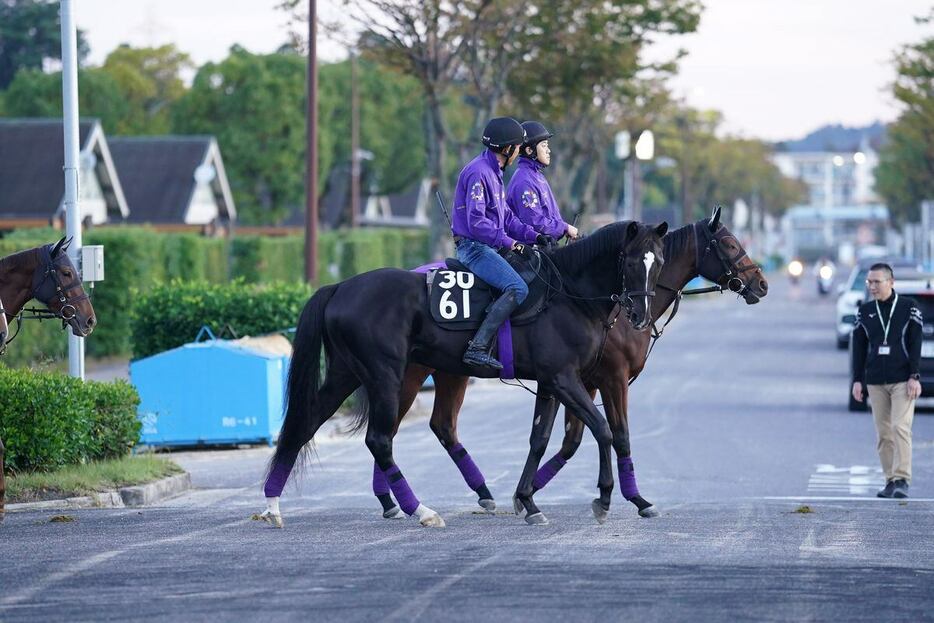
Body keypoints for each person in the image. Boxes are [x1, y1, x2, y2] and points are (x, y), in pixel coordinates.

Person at [451, 116, 551, 370]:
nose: (519, 151)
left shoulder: (495, 172)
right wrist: (511, 244)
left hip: (488, 246)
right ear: (507, 149)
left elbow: (506, 217)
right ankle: (478, 347)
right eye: (518, 146)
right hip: (474, 248)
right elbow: (477, 223)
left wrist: (533, 236)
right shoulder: (479, 173)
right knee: (518, 288)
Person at [851, 262, 923, 498]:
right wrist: (858, 381)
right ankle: (890, 480)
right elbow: (859, 349)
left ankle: (902, 478)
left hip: (902, 379)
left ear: (891, 282)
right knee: (883, 433)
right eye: (869, 282)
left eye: (877, 282)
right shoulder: (865, 310)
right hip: (875, 380)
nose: (872, 286)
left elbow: (915, 344)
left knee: (900, 427)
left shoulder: (908, 307)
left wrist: (914, 376)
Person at [506, 120, 579, 242]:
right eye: (544, 145)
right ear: (530, 150)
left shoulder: (537, 176)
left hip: (545, 246)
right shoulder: (524, 181)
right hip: (529, 252)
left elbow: (553, 216)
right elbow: (534, 223)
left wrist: (564, 228)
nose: (548, 150)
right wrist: (564, 227)